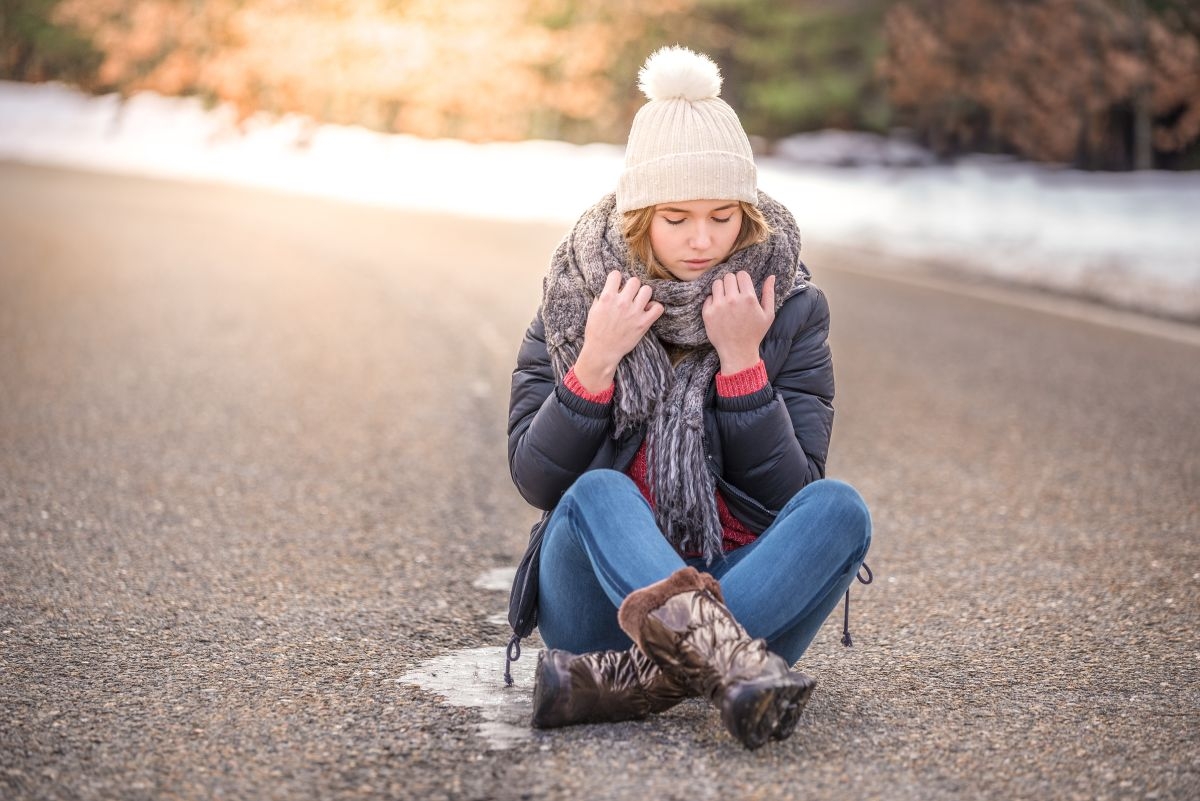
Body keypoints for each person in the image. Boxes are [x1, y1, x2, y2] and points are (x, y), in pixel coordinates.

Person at [505, 45, 872, 750]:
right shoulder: (576, 303)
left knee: (840, 509)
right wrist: (595, 363)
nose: (702, 240)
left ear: (750, 214)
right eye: (676, 218)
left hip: (745, 582)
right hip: (594, 607)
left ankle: (632, 678)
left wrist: (742, 364)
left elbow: (789, 495)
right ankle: (732, 662)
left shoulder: (790, 308)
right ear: (637, 216)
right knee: (596, 492)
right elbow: (538, 479)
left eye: (722, 216)